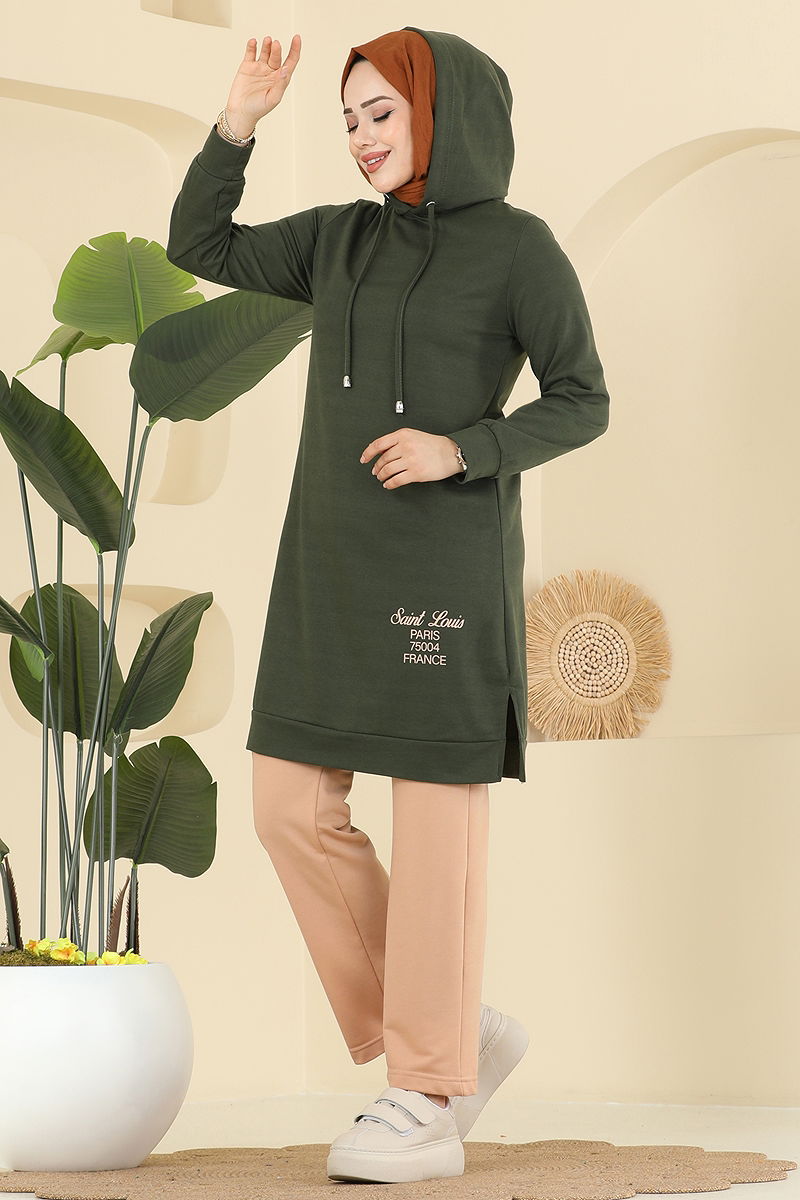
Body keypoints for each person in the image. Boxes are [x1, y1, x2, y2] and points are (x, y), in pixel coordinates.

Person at [166, 26, 610, 1185]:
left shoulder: (517, 250)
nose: (361, 138)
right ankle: (450, 1035)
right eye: (348, 119)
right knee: (286, 809)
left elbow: (581, 398)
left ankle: (421, 1095)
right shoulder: (338, 240)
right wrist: (239, 122)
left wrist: (462, 447)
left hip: (441, 575)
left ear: (440, 115)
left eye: (381, 113)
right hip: (327, 568)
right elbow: (199, 243)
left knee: (436, 837)